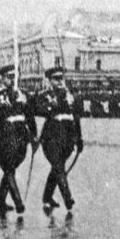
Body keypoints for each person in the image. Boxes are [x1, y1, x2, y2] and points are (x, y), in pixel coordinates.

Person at [0, 64, 37, 215]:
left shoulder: (23, 94)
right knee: (9, 169)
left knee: (11, 169)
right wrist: (2, 106)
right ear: (2, 79)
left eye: (14, 77)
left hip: (21, 135)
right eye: (9, 77)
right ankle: (18, 202)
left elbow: (30, 115)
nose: (12, 80)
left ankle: (0, 201)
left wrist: (34, 135)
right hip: (5, 135)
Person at [34, 66, 83, 213]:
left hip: (68, 138)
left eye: (61, 78)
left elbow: (76, 117)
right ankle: (68, 198)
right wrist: (51, 106)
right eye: (56, 79)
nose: (59, 81)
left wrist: (79, 138)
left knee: (57, 167)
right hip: (51, 138)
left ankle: (47, 197)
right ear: (49, 80)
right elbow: (38, 108)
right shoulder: (46, 95)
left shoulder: (70, 95)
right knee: (58, 166)